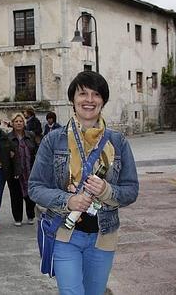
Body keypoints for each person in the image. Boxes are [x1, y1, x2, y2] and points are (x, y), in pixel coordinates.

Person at [28, 71, 139, 295]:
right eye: (83, 94)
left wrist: (106, 191)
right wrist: (68, 200)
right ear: (73, 99)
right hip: (64, 234)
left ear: (103, 101)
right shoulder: (53, 140)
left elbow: (131, 190)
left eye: (95, 94)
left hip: (103, 235)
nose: (89, 100)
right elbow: (35, 187)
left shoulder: (118, 142)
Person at [7, 113, 37, 226]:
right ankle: (18, 218)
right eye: (16, 121)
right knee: (16, 195)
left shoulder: (31, 135)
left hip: (30, 169)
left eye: (20, 121)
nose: (18, 123)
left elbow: (35, 151)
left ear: (24, 123)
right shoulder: (8, 138)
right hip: (15, 171)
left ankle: (30, 215)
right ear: (12, 123)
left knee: (30, 194)